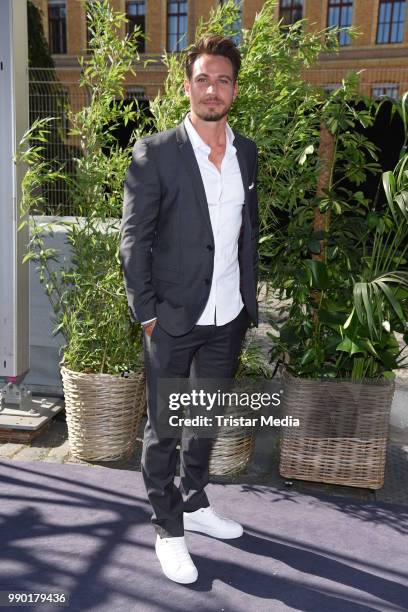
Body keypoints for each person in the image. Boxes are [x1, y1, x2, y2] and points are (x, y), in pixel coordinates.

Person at [120, 33, 259, 584]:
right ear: (187, 86)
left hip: (228, 314)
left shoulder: (245, 151)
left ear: (234, 89)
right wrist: (147, 313)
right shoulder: (156, 153)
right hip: (172, 319)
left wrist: (248, 300)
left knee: (206, 419)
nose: (212, 89)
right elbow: (134, 241)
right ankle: (168, 530)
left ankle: (195, 503)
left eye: (223, 79)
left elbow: (244, 232)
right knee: (165, 428)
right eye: (203, 78)